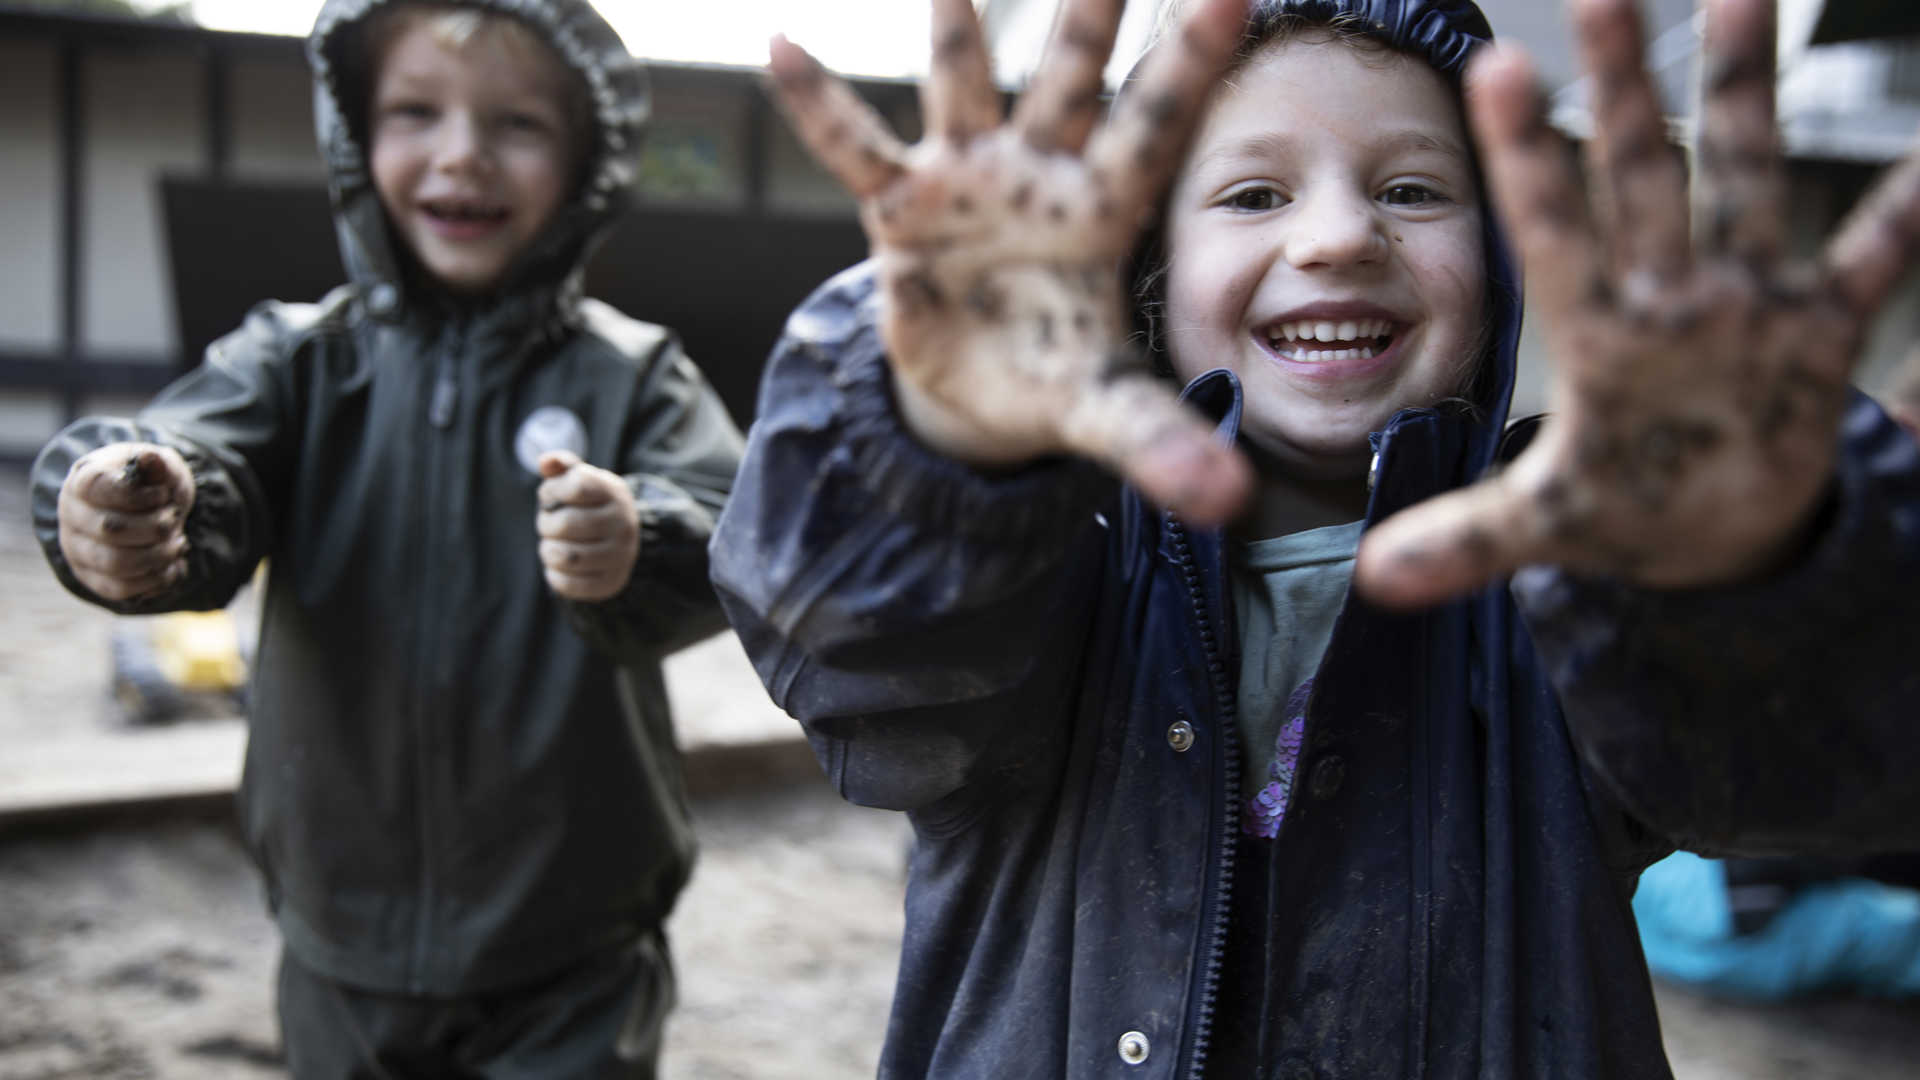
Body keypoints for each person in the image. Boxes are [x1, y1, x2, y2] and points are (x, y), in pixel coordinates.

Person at [708, 0, 1920, 1076]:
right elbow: (865, 670)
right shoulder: (1039, 575)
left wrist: (1758, 562)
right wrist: (932, 442)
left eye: (1411, 189)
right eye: (1253, 195)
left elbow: (1804, 762)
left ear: (1499, 270)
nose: (1338, 237)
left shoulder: (1577, 583)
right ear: (1146, 274)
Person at [29, 1, 744, 1076]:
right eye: (416, 111)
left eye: (518, 125)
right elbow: (191, 459)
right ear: (354, 138)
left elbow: (733, 523)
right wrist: (121, 511)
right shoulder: (294, 359)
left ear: (590, 161)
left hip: (577, 953)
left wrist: (643, 540)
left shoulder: (634, 372)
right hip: (339, 946)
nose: (462, 154)